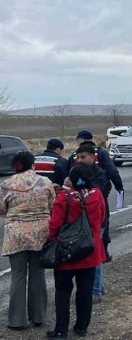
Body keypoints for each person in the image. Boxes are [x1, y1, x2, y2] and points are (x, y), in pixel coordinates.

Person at [47, 164, 106, 339]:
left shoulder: (64, 197)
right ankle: (81, 326)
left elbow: (55, 224)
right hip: (89, 249)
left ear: (71, 179)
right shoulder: (97, 195)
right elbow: (101, 218)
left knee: (63, 291)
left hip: (67, 250)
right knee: (85, 290)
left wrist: (51, 242)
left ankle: (61, 329)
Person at [0, 151, 55, 332]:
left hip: (15, 234)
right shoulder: (45, 182)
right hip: (40, 232)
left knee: (18, 276)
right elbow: (51, 206)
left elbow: (2, 210)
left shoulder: (6, 185)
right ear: (33, 164)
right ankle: (38, 316)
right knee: (38, 274)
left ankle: (17, 320)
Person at [68, 130, 123, 263]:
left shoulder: (75, 156)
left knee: (85, 223)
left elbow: (68, 174)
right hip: (97, 196)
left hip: (81, 197)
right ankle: (101, 252)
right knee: (102, 221)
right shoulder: (101, 153)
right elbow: (112, 171)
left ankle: (89, 252)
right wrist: (119, 187)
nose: (80, 160)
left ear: (80, 140)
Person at [73, 145, 111, 303]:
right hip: (80, 221)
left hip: (97, 220)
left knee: (95, 255)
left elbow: (97, 192)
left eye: (83, 157)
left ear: (93, 157)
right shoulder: (76, 171)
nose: (80, 160)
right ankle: (96, 287)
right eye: (78, 157)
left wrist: (74, 186)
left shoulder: (100, 174)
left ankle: (96, 289)